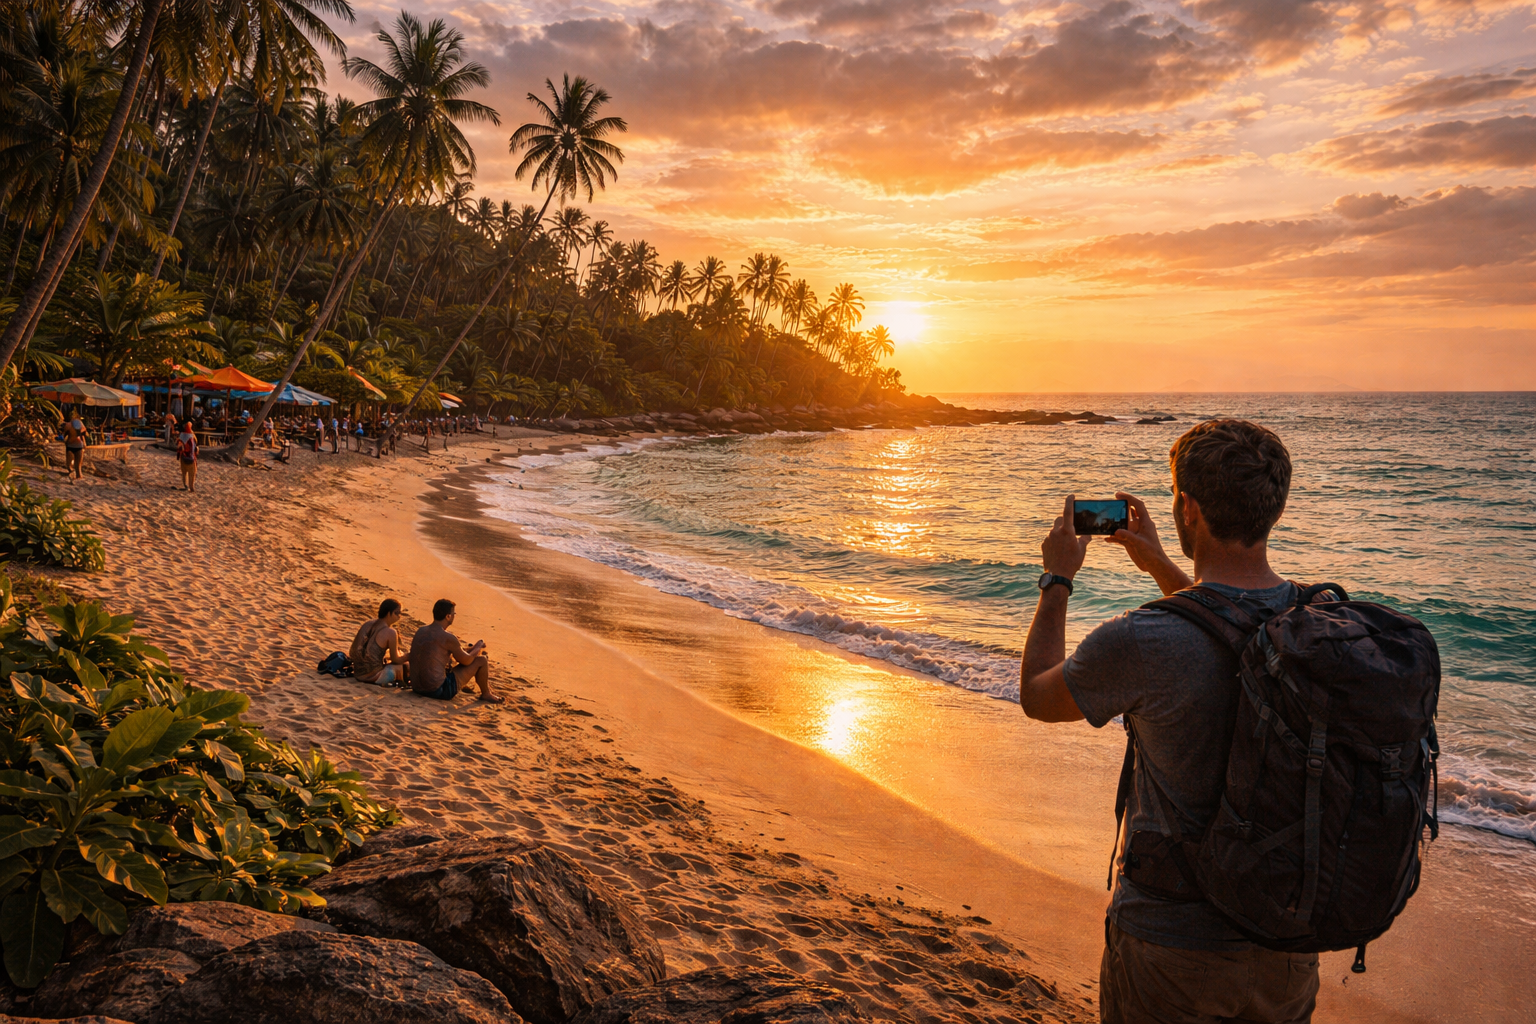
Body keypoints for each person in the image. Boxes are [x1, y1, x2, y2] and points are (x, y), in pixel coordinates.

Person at [1019, 420, 1318, 1024]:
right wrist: (1158, 561)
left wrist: (1057, 580)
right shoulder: (1315, 623)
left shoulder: (1142, 640)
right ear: (1274, 508)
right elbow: (1231, 628)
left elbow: (1037, 695)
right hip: (1287, 946)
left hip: (1173, 948)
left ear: (1187, 508)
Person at [407, 598, 503, 703]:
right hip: (437, 691)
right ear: (448, 616)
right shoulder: (448, 637)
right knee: (482, 660)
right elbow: (467, 661)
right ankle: (486, 694)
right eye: (454, 613)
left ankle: (485, 692)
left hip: (416, 688)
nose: (454, 616)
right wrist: (478, 647)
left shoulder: (421, 631)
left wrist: (472, 648)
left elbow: (444, 653)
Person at [350, 599, 410, 687]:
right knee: (405, 666)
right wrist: (409, 656)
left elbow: (352, 651)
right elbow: (396, 660)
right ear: (388, 613)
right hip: (375, 677)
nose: (399, 616)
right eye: (397, 613)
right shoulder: (391, 632)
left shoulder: (367, 624)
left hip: (357, 673)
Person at [63, 412, 87, 481]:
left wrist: (65, 442)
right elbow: (83, 433)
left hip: (70, 445)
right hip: (78, 445)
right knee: (78, 464)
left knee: (69, 463)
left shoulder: (68, 425)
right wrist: (84, 443)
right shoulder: (80, 424)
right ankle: (78, 475)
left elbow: (64, 435)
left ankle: (73, 473)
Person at [176, 422, 198, 491]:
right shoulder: (192, 436)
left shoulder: (181, 436)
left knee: (184, 472)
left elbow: (178, 446)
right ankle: (191, 486)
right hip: (192, 458)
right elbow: (195, 447)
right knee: (192, 473)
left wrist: (178, 455)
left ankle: (185, 485)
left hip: (183, 457)